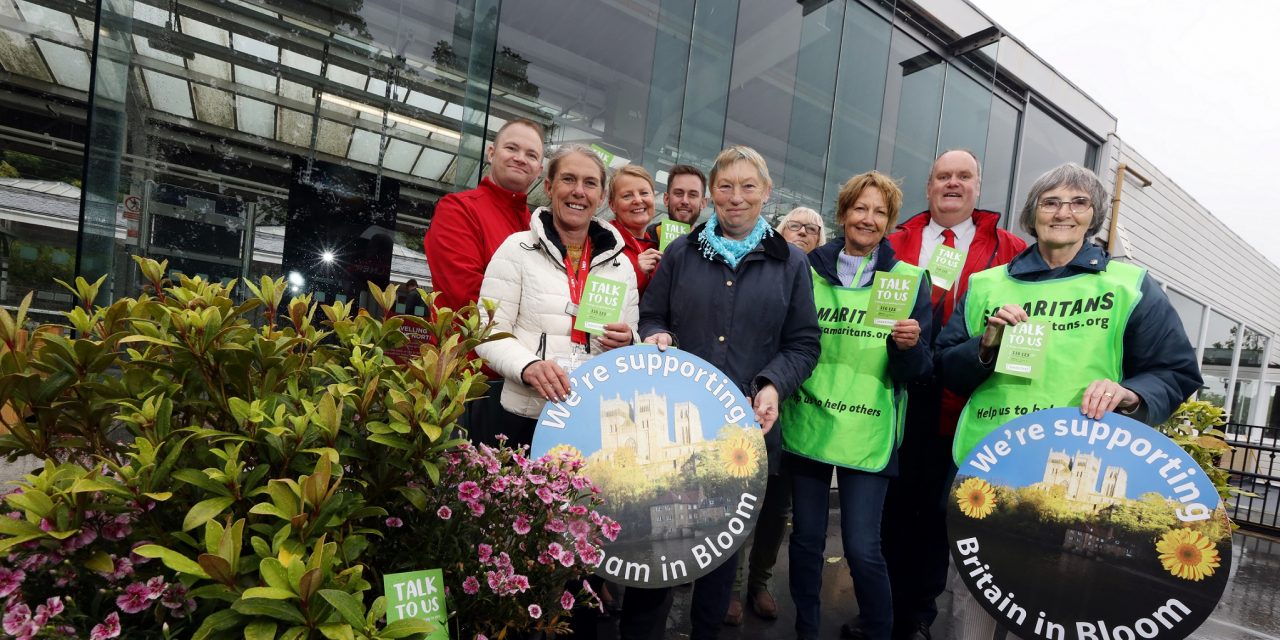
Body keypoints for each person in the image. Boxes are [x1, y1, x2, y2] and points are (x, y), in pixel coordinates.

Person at [935, 162, 1202, 640]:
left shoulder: (1128, 285)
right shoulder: (987, 285)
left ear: (1094, 215)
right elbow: (945, 370)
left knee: (1052, 610)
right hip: (989, 471)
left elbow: (1175, 372)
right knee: (969, 610)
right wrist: (987, 344)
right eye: (1050, 202)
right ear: (1031, 215)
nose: (1063, 212)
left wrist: (1132, 392)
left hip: (1080, 478)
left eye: (1078, 202)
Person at [629, 145, 820, 640]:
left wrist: (774, 383)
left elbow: (803, 343)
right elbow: (652, 315)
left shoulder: (791, 264)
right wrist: (656, 336)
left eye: (748, 186)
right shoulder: (682, 253)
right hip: (674, 431)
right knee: (658, 544)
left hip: (742, 435)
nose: (736, 197)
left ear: (767, 192)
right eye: (726, 186)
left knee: (718, 554)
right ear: (712, 193)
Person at [877, 149, 1026, 640]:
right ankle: (885, 610)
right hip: (896, 392)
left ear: (978, 187)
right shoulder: (894, 242)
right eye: (943, 176)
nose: (953, 184)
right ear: (929, 187)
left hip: (963, 399)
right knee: (894, 510)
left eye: (964, 176)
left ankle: (920, 613)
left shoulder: (1009, 248)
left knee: (943, 514)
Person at [785, 172, 933, 640]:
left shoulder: (909, 280)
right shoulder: (804, 270)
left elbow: (919, 371)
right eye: (860, 208)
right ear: (843, 213)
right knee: (807, 540)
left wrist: (909, 347)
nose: (868, 219)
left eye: (880, 212)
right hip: (810, 418)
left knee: (863, 548)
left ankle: (879, 631)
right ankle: (805, 629)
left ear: (890, 222)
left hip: (869, 429)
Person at [474, 144, 640, 449]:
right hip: (526, 414)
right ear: (549, 187)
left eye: (590, 183)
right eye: (568, 179)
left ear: (601, 197)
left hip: (592, 421)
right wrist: (528, 367)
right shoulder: (517, 249)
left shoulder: (621, 265)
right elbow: (487, 330)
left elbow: (631, 348)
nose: (579, 191)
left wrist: (629, 342)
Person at [723, 203, 828, 625]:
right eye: (794, 225)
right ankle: (731, 586)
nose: (803, 232)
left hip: (801, 415)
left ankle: (760, 582)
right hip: (757, 403)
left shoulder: (828, 281)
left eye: (814, 228)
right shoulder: (760, 273)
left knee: (774, 510)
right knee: (739, 501)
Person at [424, 118, 546, 446]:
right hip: (471, 382)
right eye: (512, 148)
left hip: (522, 383)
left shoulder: (535, 226)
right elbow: (466, 298)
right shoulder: (459, 210)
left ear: (539, 170)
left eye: (531, 154)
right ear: (491, 153)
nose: (521, 157)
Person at [608, 164, 663, 295]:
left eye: (644, 193)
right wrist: (637, 273)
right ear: (612, 205)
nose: (638, 200)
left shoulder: (656, 246)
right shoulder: (603, 244)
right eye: (627, 196)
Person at [645, 163, 707, 242]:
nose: (685, 201)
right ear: (666, 199)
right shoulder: (646, 238)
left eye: (692, 195)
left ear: (703, 203)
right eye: (678, 193)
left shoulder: (708, 248)